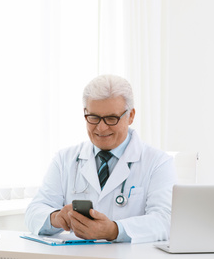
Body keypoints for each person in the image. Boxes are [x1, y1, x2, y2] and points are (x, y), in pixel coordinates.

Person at [25, 74, 177, 243]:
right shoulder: (64, 159)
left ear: (131, 116)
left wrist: (114, 230)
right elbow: (34, 212)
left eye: (111, 118)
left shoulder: (158, 162)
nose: (101, 127)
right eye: (94, 117)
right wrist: (56, 218)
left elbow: (165, 221)